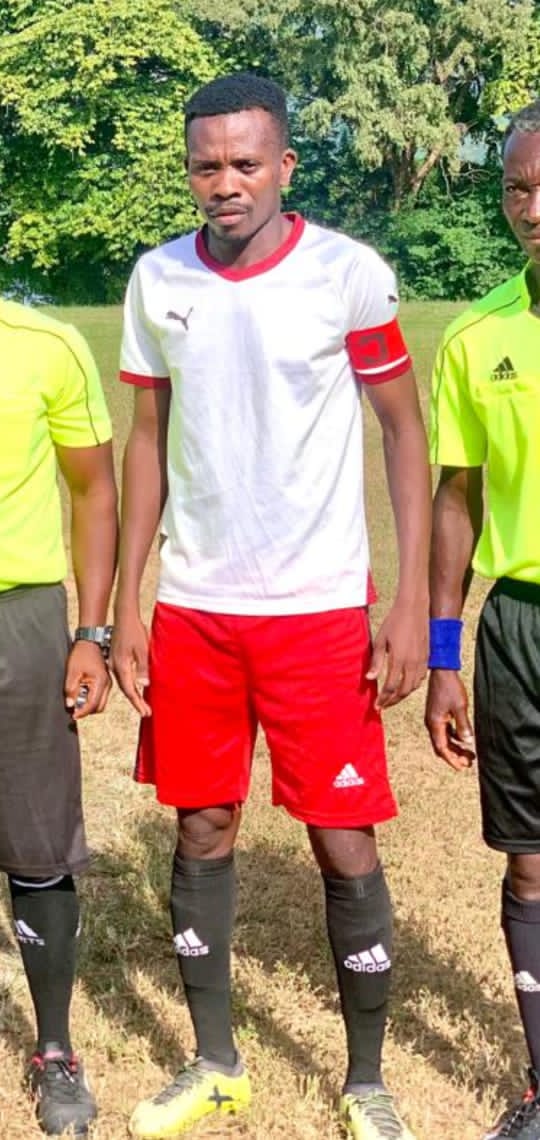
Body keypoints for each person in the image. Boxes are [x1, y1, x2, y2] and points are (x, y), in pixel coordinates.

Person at [113, 72, 431, 1140]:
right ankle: (216, 1064)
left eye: (246, 163)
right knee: (202, 823)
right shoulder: (158, 278)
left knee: (343, 837)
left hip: (320, 610)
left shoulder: (347, 274)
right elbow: (146, 443)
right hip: (197, 609)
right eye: (206, 165)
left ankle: (367, 1082)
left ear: (285, 165)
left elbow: (404, 430)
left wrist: (410, 606)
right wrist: (127, 606)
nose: (225, 183)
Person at [426, 98, 540, 1140]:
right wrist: (444, 655)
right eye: (516, 188)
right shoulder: (476, 337)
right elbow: (455, 500)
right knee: (531, 859)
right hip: (522, 628)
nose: (533, 208)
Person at [0, 299, 118, 1135]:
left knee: (36, 843)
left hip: (22, 617)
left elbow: (93, 489)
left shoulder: (47, 345)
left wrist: (91, 632)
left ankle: (53, 1049)